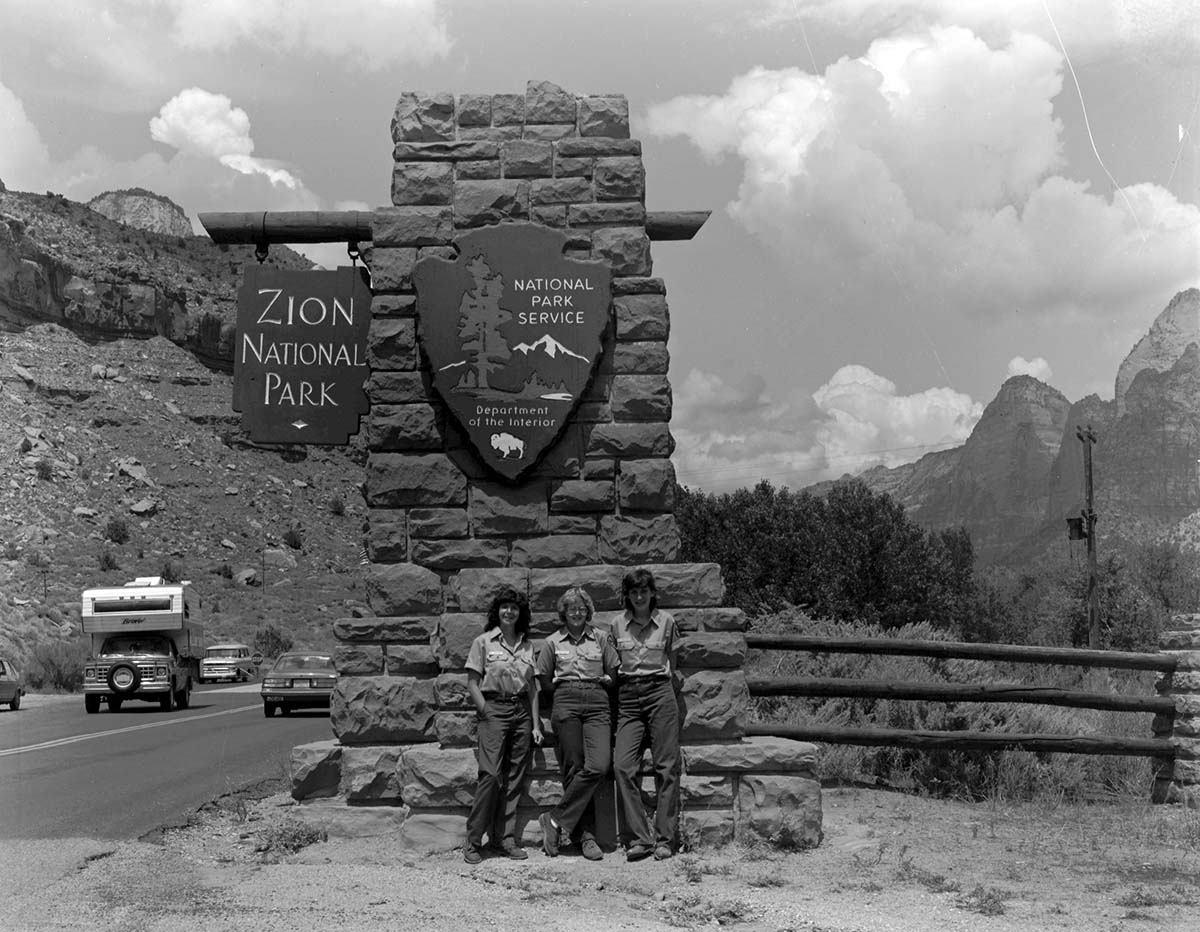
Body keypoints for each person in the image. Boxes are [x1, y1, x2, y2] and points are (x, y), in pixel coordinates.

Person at [536, 586, 619, 861]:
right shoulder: (552, 642)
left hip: (597, 701)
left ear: (588, 612)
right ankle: (587, 837)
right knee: (574, 767)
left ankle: (555, 819)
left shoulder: (602, 638)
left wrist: (608, 680)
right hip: (566, 701)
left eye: (582, 608)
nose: (577, 612)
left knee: (599, 765)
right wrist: (560, 687)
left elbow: (613, 672)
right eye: (572, 608)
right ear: (564, 612)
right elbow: (544, 681)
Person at [463, 587, 543, 864]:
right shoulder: (484, 642)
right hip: (494, 709)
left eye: (514, 608)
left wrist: (535, 724)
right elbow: (472, 682)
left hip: (521, 711)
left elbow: (533, 687)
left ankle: (504, 839)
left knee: (514, 778)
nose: (509, 612)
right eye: (504, 607)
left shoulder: (528, 646)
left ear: (521, 614)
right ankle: (473, 840)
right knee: (490, 775)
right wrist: (485, 710)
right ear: (497, 611)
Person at [611, 567, 681, 861]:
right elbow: (613, 666)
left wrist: (667, 691)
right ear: (627, 595)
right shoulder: (617, 625)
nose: (639, 596)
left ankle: (666, 839)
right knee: (622, 766)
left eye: (644, 591)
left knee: (667, 767)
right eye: (633, 592)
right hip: (628, 698)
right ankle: (640, 838)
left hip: (660, 693)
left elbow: (674, 662)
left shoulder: (667, 622)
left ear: (652, 593)